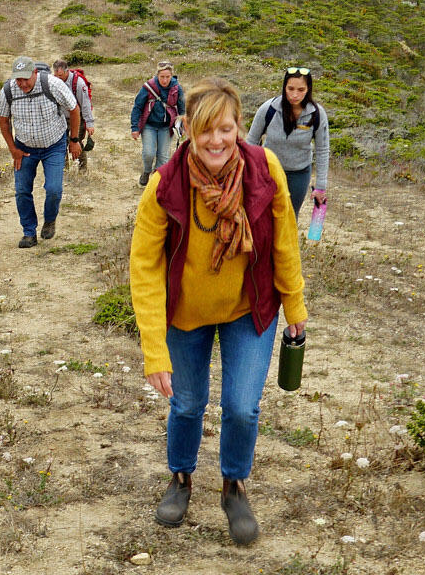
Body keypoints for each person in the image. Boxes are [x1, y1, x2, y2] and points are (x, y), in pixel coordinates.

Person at [130, 77, 307, 545]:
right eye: (206, 130)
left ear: (239, 127)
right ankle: (181, 478)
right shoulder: (163, 187)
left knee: (243, 409)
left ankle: (234, 484)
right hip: (185, 315)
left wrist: (295, 304)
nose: (216, 140)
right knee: (186, 404)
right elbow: (145, 271)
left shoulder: (264, 168)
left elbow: (285, 241)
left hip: (248, 309)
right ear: (187, 129)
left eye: (226, 129)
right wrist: (154, 350)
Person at [0, 56, 81, 248]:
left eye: (26, 79)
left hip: (54, 145)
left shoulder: (53, 85)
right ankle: (29, 233)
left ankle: (50, 220)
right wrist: (13, 149)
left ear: (35, 73)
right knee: (22, 190)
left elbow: (74, 109)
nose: (22, 84)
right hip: (24, 148)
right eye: (19, 79)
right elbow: (3, 120)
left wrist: (74, 140)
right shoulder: (9, 90)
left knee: (53, 189)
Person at [248, 66, 332, 217]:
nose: (294, 94)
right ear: (284, 87)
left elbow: (322, 150)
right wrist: (246, 174)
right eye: (290, 88)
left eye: (301, 90)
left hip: (298, 174)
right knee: (263, 215)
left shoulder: (317, 114)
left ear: (308, 89)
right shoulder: (268, 109)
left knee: (290, 217)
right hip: (268, 172)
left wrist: (320, 187)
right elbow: (251, 142)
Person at [129, 61, 184, 187]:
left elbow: (182, 109)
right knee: (149, 153)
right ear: (157, 75)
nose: (165, 80)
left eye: (167, 77)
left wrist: (182, 126)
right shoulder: (148, 87)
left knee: (163, 158)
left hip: (167, 126)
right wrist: (135, 128)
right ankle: (146, 171)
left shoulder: (177, 88)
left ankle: (156, 184)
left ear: (172, 76)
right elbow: (137, 107)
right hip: (149, 125)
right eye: (162, 77)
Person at [52, 57, 97, 171]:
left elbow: (85, 103)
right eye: (56, 76)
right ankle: (63, 170)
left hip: (78, 118)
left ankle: (83, 169)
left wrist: (89, 123)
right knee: (61, 144)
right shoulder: (53, 82)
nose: (58, 79)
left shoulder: (78, 83)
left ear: (67, 71)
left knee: (76, 142)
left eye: (60, 76)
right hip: (61, 117)